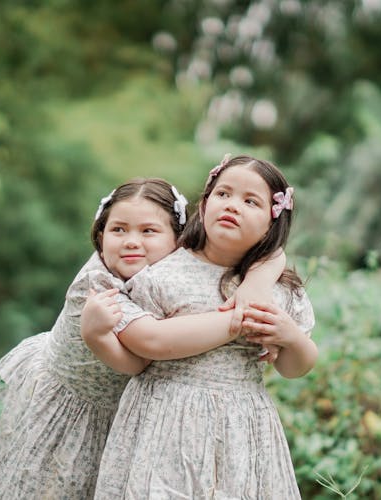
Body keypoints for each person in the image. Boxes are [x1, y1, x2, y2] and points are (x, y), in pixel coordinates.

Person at [0, 177, 284, 499]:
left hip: (121, 416)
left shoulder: (170, 276)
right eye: (118, 230)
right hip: (58, 405)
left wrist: (260, 277)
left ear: (180, 241)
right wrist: (244, 316)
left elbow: (273, 252)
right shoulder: (97, 285)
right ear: (100, 235)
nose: (131, 242)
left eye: (149, 231)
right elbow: (142, 358)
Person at [85, 154, 318, 500]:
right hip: (164, 418)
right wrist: (236, 320)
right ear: (205, 204)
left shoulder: (278, 291)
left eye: (250, 201)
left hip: (241, 426)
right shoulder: (164, 273)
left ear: (272, 223)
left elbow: (294, 366)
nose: (232, 206)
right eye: (223, 194)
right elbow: (147, 346)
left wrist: (291, 337)